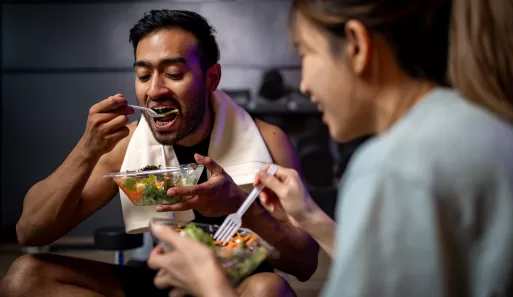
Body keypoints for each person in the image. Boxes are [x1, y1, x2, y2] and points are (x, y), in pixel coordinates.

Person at [144, 0, 513, 296]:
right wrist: (309, 216)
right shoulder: (491, 129)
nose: (305, 84)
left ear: (358, 46)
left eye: (305, 54)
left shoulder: (393, 166)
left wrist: (209, 283)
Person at [0, 9, 319, 297]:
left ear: (211, 78)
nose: (154, 90)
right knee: (25, 276)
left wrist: (239, 204)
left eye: (174, 74)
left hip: (238, 281)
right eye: (143, 75)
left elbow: (304, 264)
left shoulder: (268, 140)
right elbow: (31, 231)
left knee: (269, 289)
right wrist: (87, 149)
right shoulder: (126, 144)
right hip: (166, 279)